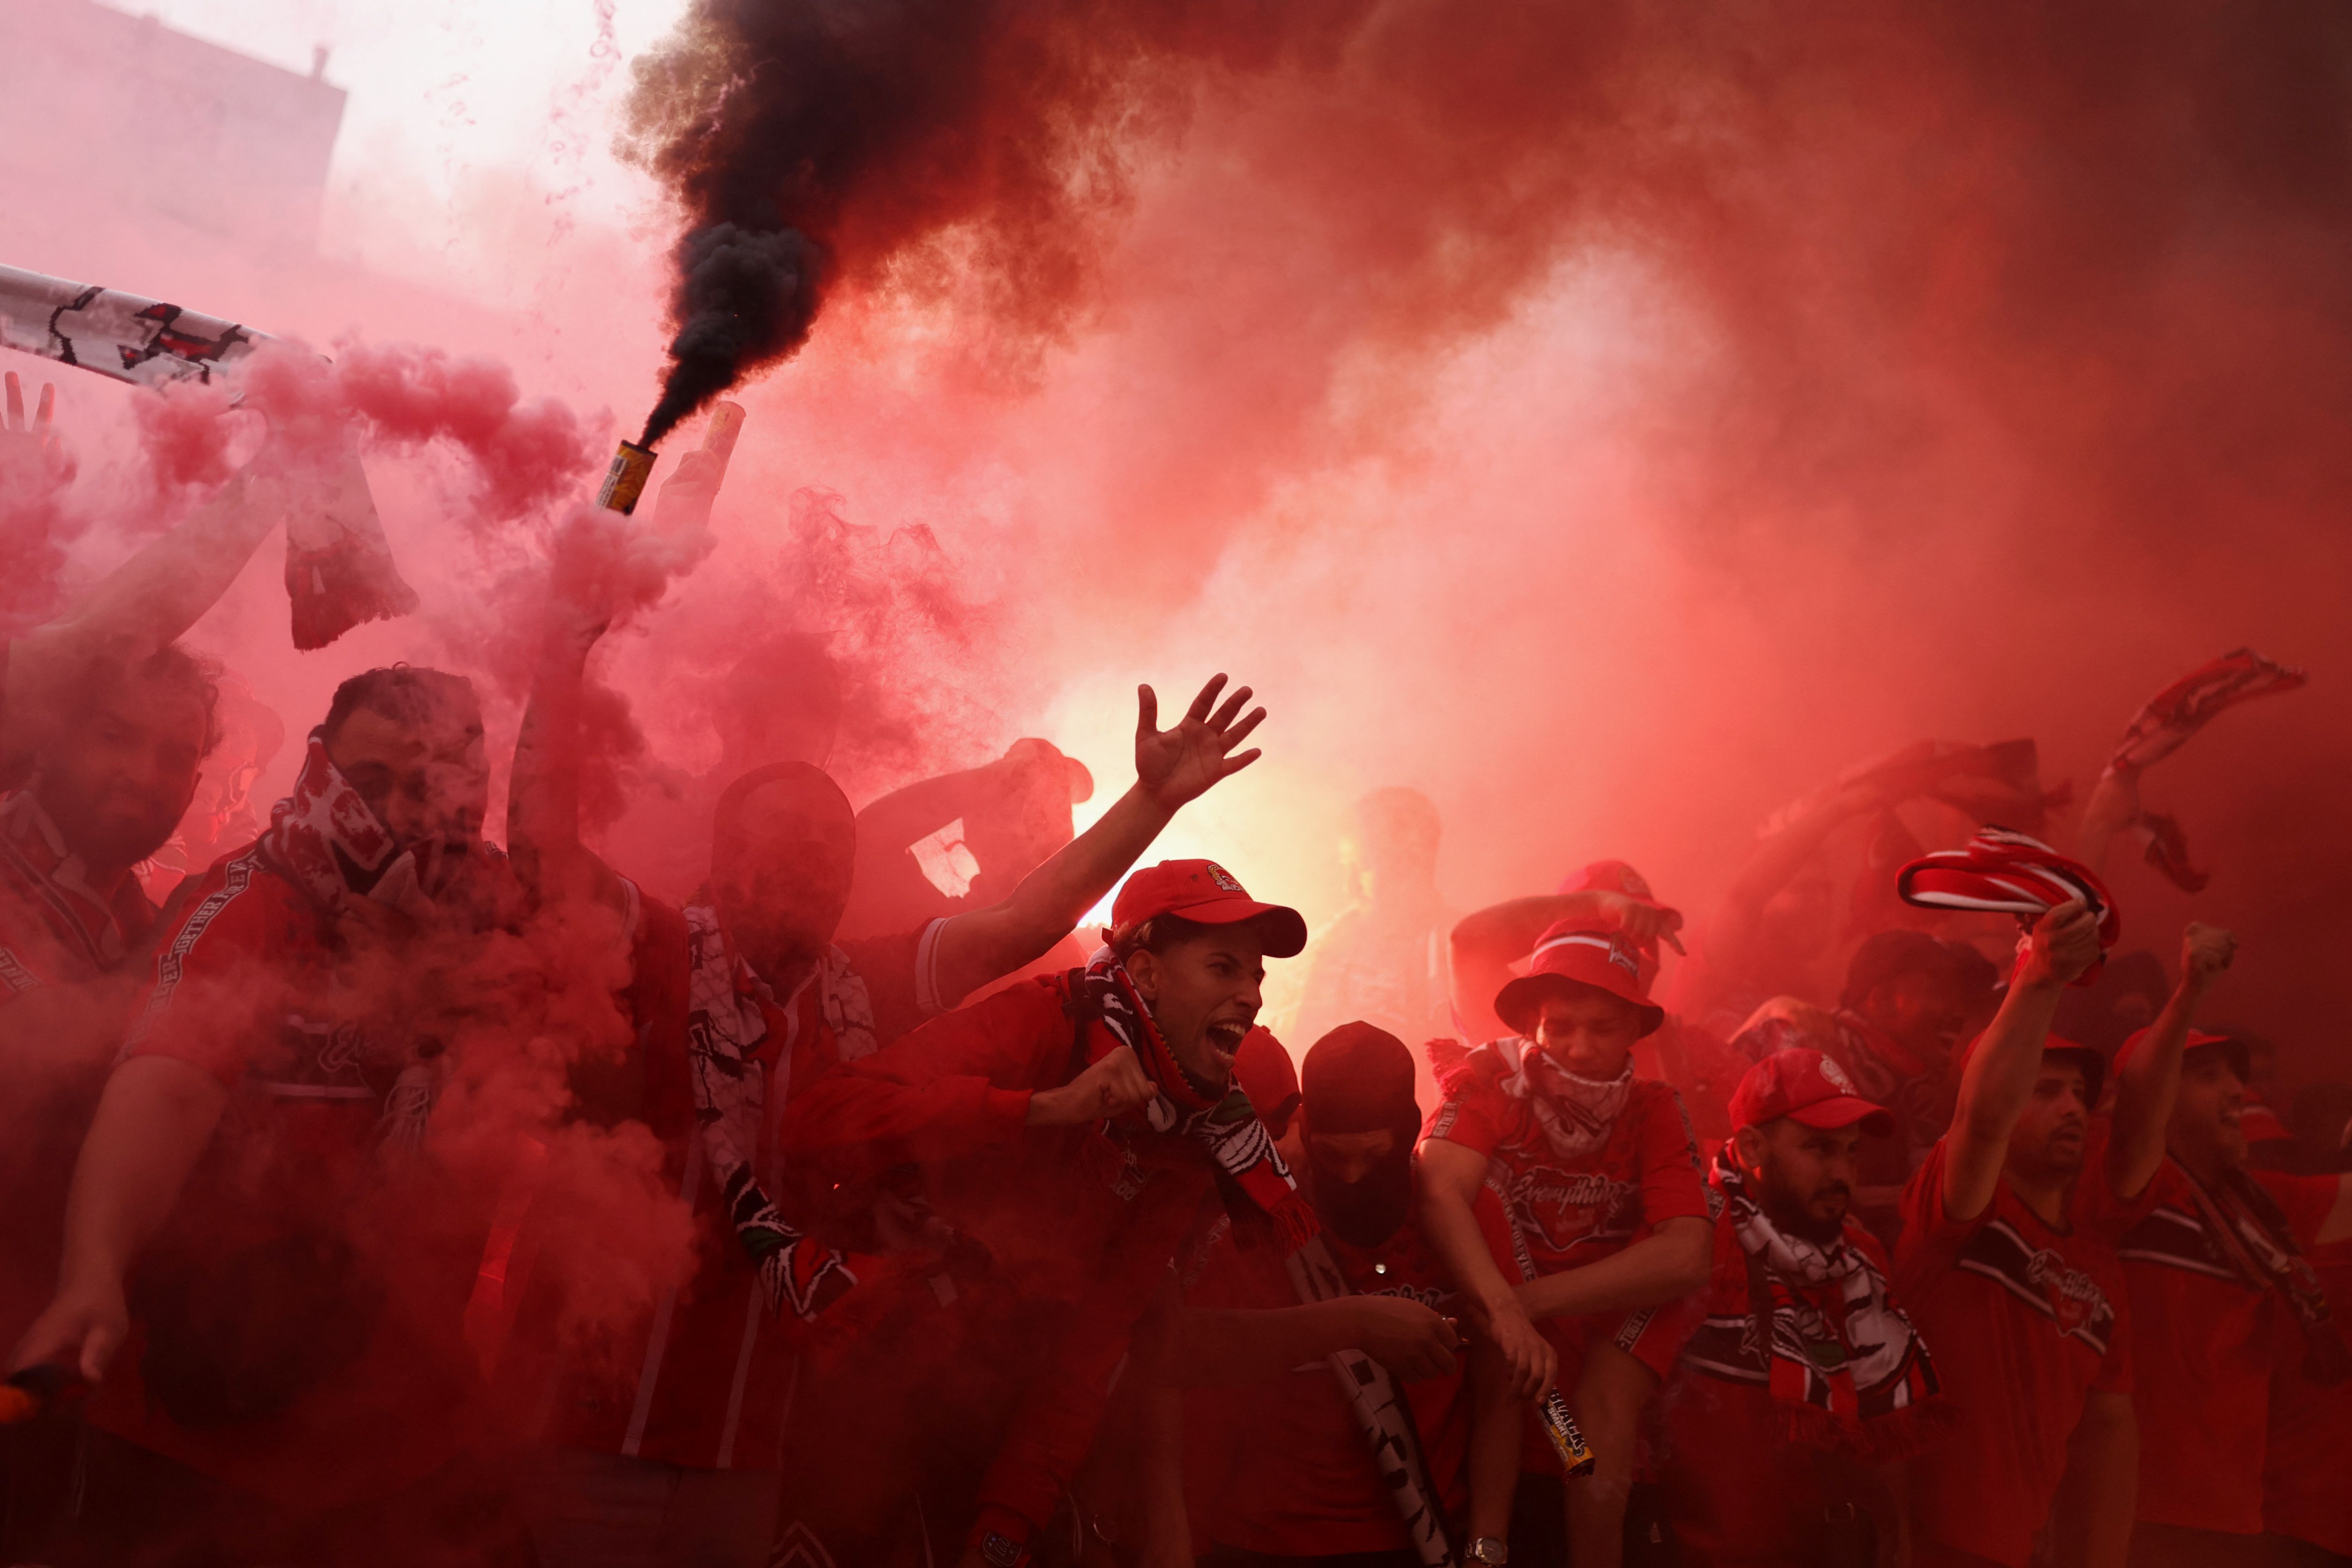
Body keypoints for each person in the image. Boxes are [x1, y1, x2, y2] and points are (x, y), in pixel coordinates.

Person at [498, 426, 1279, 1566]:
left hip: (747, 1440)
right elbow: (537, 850)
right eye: (781, 851)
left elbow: (1020, 922)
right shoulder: (655, 945)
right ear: (721, 860)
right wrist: (561, 657)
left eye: (828, 855)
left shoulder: (858, 985)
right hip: (585, 1426)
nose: (808, 874)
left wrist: (1148, 803)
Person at [8, 664, 532, 1567]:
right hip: (204, 1446)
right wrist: (94, 1267)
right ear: (324, 770)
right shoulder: (255, 897)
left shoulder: (501, 924)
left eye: (429, 784)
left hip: (410, 1436)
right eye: (369, 780)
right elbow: (169, 1078)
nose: (397, 811)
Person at [771, 858, 1311, 1568]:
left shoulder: (1190, 1125)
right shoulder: (1040, 1021)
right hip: (854, 1398)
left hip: (991, 1419)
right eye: (1223, 968)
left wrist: (1006, 1528)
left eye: (1256, 977)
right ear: (1145, 973)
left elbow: (1089, 1351)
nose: (1251, 996)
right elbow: (817, 1118)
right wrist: (1042, 1109)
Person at [1894, 910, 2232, 1568]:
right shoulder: (1959, 1210)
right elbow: (1983, 1119)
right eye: (2044, 1091)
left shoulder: (2096, 1262)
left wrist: (2190, 991)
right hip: (1925, 1544)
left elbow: (2109, 1436)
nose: (2073, 1106)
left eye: (2079, 1093)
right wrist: (2041, 977)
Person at [1416, 921, 1713, 1568]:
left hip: (1598, 1352)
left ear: (1635, 1028)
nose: (1579, 1048)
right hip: (1514, 1362)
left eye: (1602, 1028)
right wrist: (1505, 1314)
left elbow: (1688, 1255)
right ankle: (1488, 1548)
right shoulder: (1489, 1084)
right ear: (1533, 1026)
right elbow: (1437, 1189)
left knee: (1595, 1418)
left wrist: (1520, 1306)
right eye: (1561, 1026)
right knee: (1483, 1218)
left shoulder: (1656, 1108)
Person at [1161, 1021, 1473, 1566]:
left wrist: (1491, 1541)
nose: (1351, 1177)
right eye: (1331, 1155)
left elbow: (1511, 1378)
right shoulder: (1257, 1223)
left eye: (1373, 1155)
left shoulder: (1457, 1208)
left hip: (1431, 1531)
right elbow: (1177, 1357)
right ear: (1306, 1131)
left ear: (1408, 1131)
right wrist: (1179, 1542)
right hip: (1269, 1539)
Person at [1655, 1050, 1946, 1567]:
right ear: (1752, 1146)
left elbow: (1882, 1428)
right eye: (1819, 1148)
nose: (1842, 1174)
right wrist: (1594, 1515)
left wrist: (1897, 1534)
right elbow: (1591, 1403)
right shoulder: (1691, 1239)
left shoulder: (1858, 1258)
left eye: (1851, 1152)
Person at [2118, 1028, 2352, 1568]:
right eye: (2207, 1077)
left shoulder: (2256, 1203)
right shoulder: (2126, 1193)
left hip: (2238, 1510)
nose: (2237, 1092)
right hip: (2150, 1508)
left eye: (2234, 1078)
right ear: (2150, 1095)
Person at [1732, 928, 1978, 1245]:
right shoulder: (1808, 1044)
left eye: (1958, 996)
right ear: (1882, 1001)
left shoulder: (1924, 1081)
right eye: (1936, 991)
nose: (1957, 1011)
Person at [1284, 789, 1458, 1097]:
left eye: (1362, 866)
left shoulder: (1457, 950)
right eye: (1346, 867)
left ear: (1412, 859)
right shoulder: (1324, 945)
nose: (1348, 885)